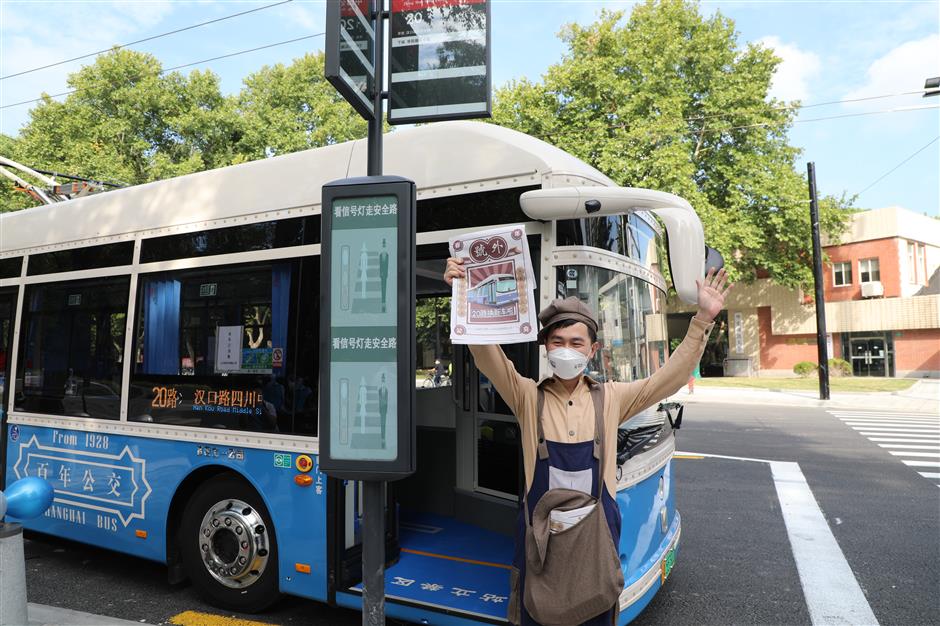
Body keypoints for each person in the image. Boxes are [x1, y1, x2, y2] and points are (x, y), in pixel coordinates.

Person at [444, 257, 731, 626]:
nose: (567, 349)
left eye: (577, 342)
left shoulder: (611, 398)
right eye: (558, 341)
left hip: (596, 542)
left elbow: (668, 379)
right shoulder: (527, 396)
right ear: (546, 347)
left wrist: (703, 320)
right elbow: (487, 355)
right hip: (539, 543)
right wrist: (464, 296)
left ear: (592, 350)